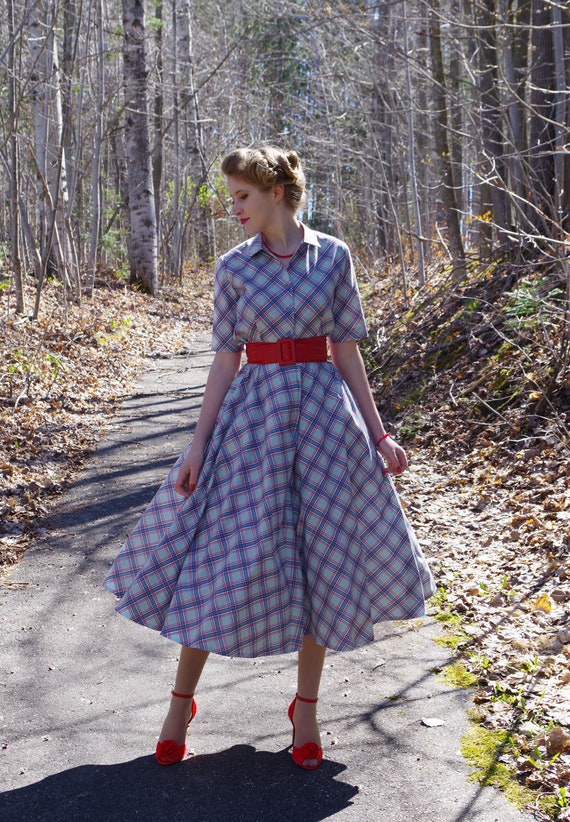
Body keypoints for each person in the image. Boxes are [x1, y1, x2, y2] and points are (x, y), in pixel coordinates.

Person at [103, 144, 435, 771]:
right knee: (217, 556)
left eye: (242, 197)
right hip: (251, 424)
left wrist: (380, 433)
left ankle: (304, 708)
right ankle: (180, 703)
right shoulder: (233, 268)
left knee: (323, 561)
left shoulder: (333, 256)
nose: (233, 209)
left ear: (276, 192)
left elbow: (347, 352)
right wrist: (197, 444)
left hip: (324, 424)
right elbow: (226, 357)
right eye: (232, 198)